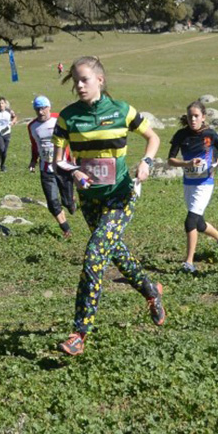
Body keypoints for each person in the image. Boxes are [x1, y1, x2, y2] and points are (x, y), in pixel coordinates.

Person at [52, 56, 165, 356]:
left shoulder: (122, 110)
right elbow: (57, 160)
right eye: (75, 80)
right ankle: (151, 291)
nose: (78, 85)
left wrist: (147, 162)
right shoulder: (67, 118)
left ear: (99, 80)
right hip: (90, 201)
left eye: (84, 79)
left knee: (93, 258)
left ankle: (79, 333)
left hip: (121, 196)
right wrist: (73, 171)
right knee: (115, 252)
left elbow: (152, 137)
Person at [166, 100, 218, 273]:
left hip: (205, 183)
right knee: (199, 223)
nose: (193, 119)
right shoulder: (181, 135)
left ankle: (189, 263)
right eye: (190, 116)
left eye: (196, 116)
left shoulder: (210, 134)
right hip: (189, 183)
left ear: (203, 117)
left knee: (190, 221)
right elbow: (170, 160)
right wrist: (187, 163)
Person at [26, 95, 77, 237]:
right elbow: (35, 145)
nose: (41, 112)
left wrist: (74, 157)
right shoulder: (32, 126)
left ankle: (71, 202)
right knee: (52, 202)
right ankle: (66, 229)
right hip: (45, 168)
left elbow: (72, 138)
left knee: (67, 203)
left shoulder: (59, 119)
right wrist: (33, 160)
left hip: (64, 166)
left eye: (43, 108)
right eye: (37, 109)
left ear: (49, 107)